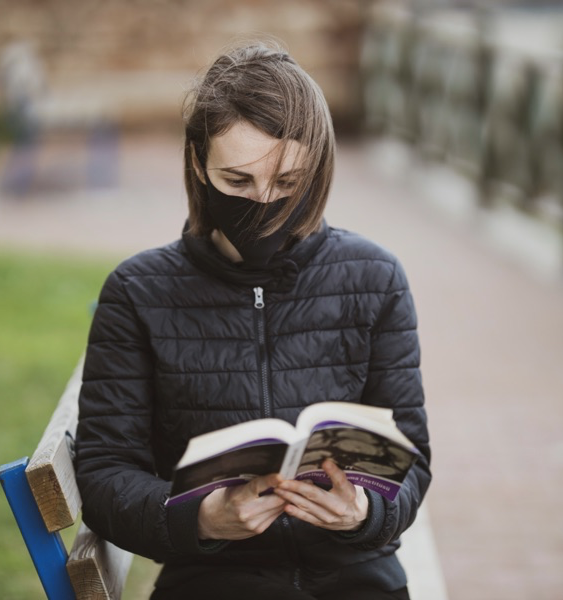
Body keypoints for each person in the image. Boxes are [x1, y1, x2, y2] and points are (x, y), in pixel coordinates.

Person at [74, 41, 431, 600]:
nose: (263, 203)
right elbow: (104, 469)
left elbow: (410, 455)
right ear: (197, 163)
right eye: (237, 183)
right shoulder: (139, 291)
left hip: (356, 577)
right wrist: (199, 518)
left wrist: (365, 511)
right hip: (214, 580)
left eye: (288, 184)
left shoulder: (374, 277)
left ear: (318, 168)